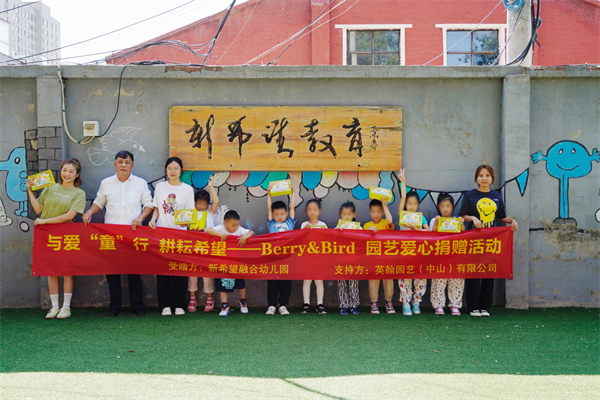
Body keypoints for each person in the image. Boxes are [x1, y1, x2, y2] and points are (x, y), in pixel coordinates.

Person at [83, 150, 153, 317]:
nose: (123, 165)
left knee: (134, 271)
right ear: (115, 164)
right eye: (120, 162)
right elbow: (99, 202)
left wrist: (140, 218)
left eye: (127, 162)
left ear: (132, 165)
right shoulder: (106, 183)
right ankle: (115, 307)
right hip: (111, 234)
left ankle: (137, 306)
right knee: (112, 272)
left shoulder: (140, 183)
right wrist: (89, 212)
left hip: (133, 234)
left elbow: (149, 204)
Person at [27, 159, 86, 319]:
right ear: (60, 171)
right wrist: (30, 191)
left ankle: (66, 308)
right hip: (47, 234)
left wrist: (44, 222)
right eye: (64, 170)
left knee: (67, 271)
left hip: (66, 233)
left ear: (77, 175)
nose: (67, 174)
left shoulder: (79, 193)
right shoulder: (50, 188)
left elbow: (69, 216)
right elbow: (38, 209)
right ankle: (54, 307)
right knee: (51, 271)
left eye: (71, 171)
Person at [459, 164, 519, 317]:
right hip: (474, 240)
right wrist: (473, 218)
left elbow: (501, 217)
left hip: (492, 241)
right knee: (473, 272)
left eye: (487, 175)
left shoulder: (496, 196)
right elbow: (462, 215)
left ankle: (485, 306)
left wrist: (511, 221)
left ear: (492, 178)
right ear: (476, 178)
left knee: (489, 271)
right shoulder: (470, 195)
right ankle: (473, 307)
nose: (484, 178)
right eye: (481, 175)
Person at [149, 157, 195, 316]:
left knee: (178, 270)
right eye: (169, 168)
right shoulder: (160, 187)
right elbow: (156, 208)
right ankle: (165, 305)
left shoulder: (187, 189)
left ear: (181, 170)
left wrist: (186, 223)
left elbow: (189, 213)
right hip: (161, 234)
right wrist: (153, 220)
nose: (173, 171)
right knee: (163, 271)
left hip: (180, 235)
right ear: (166, 170)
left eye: (176, 168)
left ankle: (179, 304)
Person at [206, 210, 255, 317]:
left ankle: (243, 301)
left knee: (240, 284)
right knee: (222, 285)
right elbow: (208, 230)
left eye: (237, 224)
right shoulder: (220, 228)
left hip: (237, 264)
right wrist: (219, 234)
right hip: (223, 264)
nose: (235, 227)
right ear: (225, 223)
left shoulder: (239, 230)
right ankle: (224, 305)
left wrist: (245, 237)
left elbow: (251, 232)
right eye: (233, 225)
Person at [397, 169, 429, 316]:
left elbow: (429, 232)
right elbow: (403, 196)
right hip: (404, 251)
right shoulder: (402, 215)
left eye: (415, 204)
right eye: (409, 203)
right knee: (405, 278)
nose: (411, 206)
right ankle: (405, 303)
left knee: (420, 277)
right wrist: (403, 182)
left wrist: (417, 230)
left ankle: (416, 302)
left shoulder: (420, 218)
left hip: (419, 252)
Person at [429, 193, 466, 316]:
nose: (445, 208)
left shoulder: (456, 220)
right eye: (442, 206)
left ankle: (455, 305)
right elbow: (432, 236)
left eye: (448, 206)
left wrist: (461, 223)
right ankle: (439, 305)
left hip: (455, 255)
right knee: (438, 281)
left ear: (453, 207)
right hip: (440, 256)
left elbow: (464, 235)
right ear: (438, 207)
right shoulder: (435, 220)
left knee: (456, 281)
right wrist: (436, 223)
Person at [187, 176, 219, 313]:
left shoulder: (210, 214)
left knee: (207, 275)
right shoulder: (189, 214)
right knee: (192, 274)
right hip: (192, 249)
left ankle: (210, 298)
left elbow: (216, 201)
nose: (201, 206)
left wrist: (211, 186)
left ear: (207, 204)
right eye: (198, 203)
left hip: (207, 250)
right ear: (194, 203)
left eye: (204, 203)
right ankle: (192, 298)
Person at [265, 182, 296, 316]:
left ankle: (283, 305)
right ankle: (272, 305)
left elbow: (292, 207)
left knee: (285, 282)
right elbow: (269, 208)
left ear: (286, 214)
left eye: (282, 214)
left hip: (286, 258)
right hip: (273, 257)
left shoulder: (290, 222)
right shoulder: (272, 223)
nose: (279, 216)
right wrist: (269, 194)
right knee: (272, 282)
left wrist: (293, 193)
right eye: (276, 214)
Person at [364, 198, 395, 314]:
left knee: (388, 280)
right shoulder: (367, 225)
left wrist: (385, 206)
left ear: (382, 212)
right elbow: (362, 239)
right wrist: (368, 231)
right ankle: (374, 303)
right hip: (373, 259)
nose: (376, 214)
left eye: (378, 211)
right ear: (369, 212)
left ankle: (389, 302)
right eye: (373, 211)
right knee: (373, 280)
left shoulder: (385, 223)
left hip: (387, 258)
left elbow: (390, 221)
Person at [300, 199, 327, 314]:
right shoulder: (304, 225)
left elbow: (327, 241)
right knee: (307, 281)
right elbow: (299, 240)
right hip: (307, 258)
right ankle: (306, 303)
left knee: (319, 281)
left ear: (319, 211)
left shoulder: (323, 225)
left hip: (319, 258)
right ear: (306, 211)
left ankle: (320, 304)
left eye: (314, 209)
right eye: (309, 210)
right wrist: (304, 231)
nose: (312, 212)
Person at [336, 201, 361, 315]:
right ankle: (343, 306)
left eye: (349, 214)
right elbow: (331, 238)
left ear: (354, 215)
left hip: (354, 261)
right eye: (344, 214)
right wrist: (338, 232)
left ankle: (354, 305)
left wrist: (371, 230)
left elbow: (366, 237)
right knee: (342, 284)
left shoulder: (359, 228)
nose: (346, 216)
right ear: (340, 215)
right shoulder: (338, 227)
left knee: (353, 284)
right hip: (341, 261)